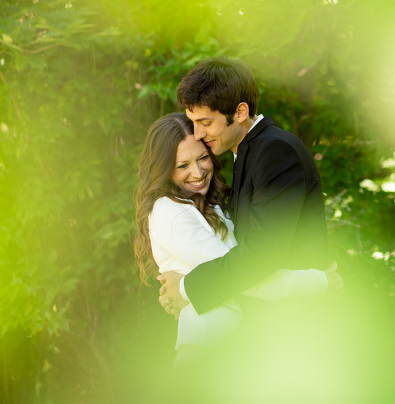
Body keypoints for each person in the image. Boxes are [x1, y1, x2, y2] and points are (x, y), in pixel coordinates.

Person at [134, 112, 340, 358]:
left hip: (234, 347)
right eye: (183, 166)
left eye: (202, 158)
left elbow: (242, 264)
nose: (198, 173)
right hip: (206, 349)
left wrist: (184, 288)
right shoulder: (171, 213)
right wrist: (317, 281)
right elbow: (245, 277)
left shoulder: (208, 205)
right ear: (163, 169)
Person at [158, 56, 332, 319]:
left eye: (206, 122)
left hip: (296, 321)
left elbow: (262, 254)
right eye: (193, 122)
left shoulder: (274, 151)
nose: (197, 134)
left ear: (240, 112)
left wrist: (185, 288)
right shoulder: (249, 153)